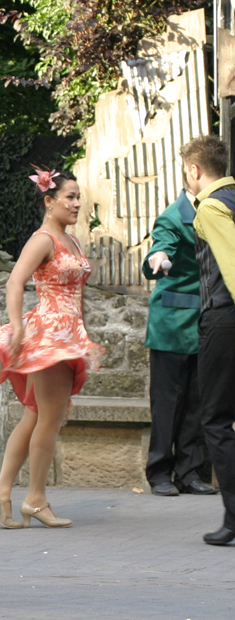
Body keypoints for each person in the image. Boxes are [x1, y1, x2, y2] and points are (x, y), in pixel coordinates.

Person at [0, 167, 103, 529]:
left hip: (67, 334)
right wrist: (16, 326)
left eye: (79, 197)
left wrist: (84, 334)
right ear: (49, 201)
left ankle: (1, 490)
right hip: (49, 335)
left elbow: (79, 293)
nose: (77, 203)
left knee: (35, 415)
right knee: (49, 418)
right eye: (70, 197)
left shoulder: (70, 241)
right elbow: (15, 282)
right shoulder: (43, 239)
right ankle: (35, 499)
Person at [141, 188, 216, 497]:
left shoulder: (220, 211)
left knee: (198, 403)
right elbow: (160, 249)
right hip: (171, 324)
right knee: (167, 403)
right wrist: (158, 257)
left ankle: (191, 472)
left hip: (206, 320)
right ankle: (159, 471)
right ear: (196, 173)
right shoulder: (173, 216)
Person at [180, 136, 235, 545]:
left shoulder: (212, 207)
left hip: (224, 318)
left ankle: (234, 518)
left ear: (195, 171)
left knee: (215, 419)